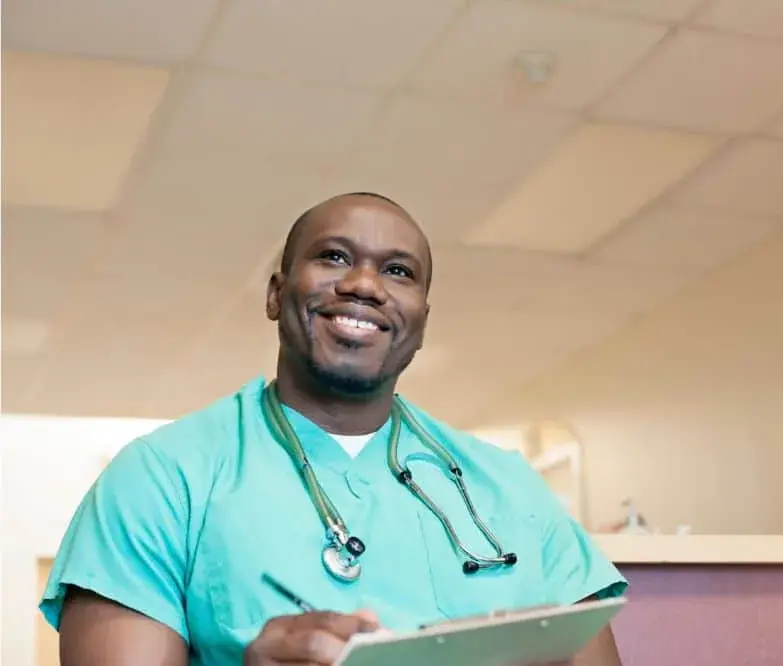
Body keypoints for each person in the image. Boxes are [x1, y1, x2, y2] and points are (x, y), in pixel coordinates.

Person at [40, 193, 628, 665]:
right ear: (276, 294)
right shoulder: (163, 477)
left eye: (398, 271)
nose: (365, 285)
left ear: (420, 321)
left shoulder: (512, 488)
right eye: (335, 257)